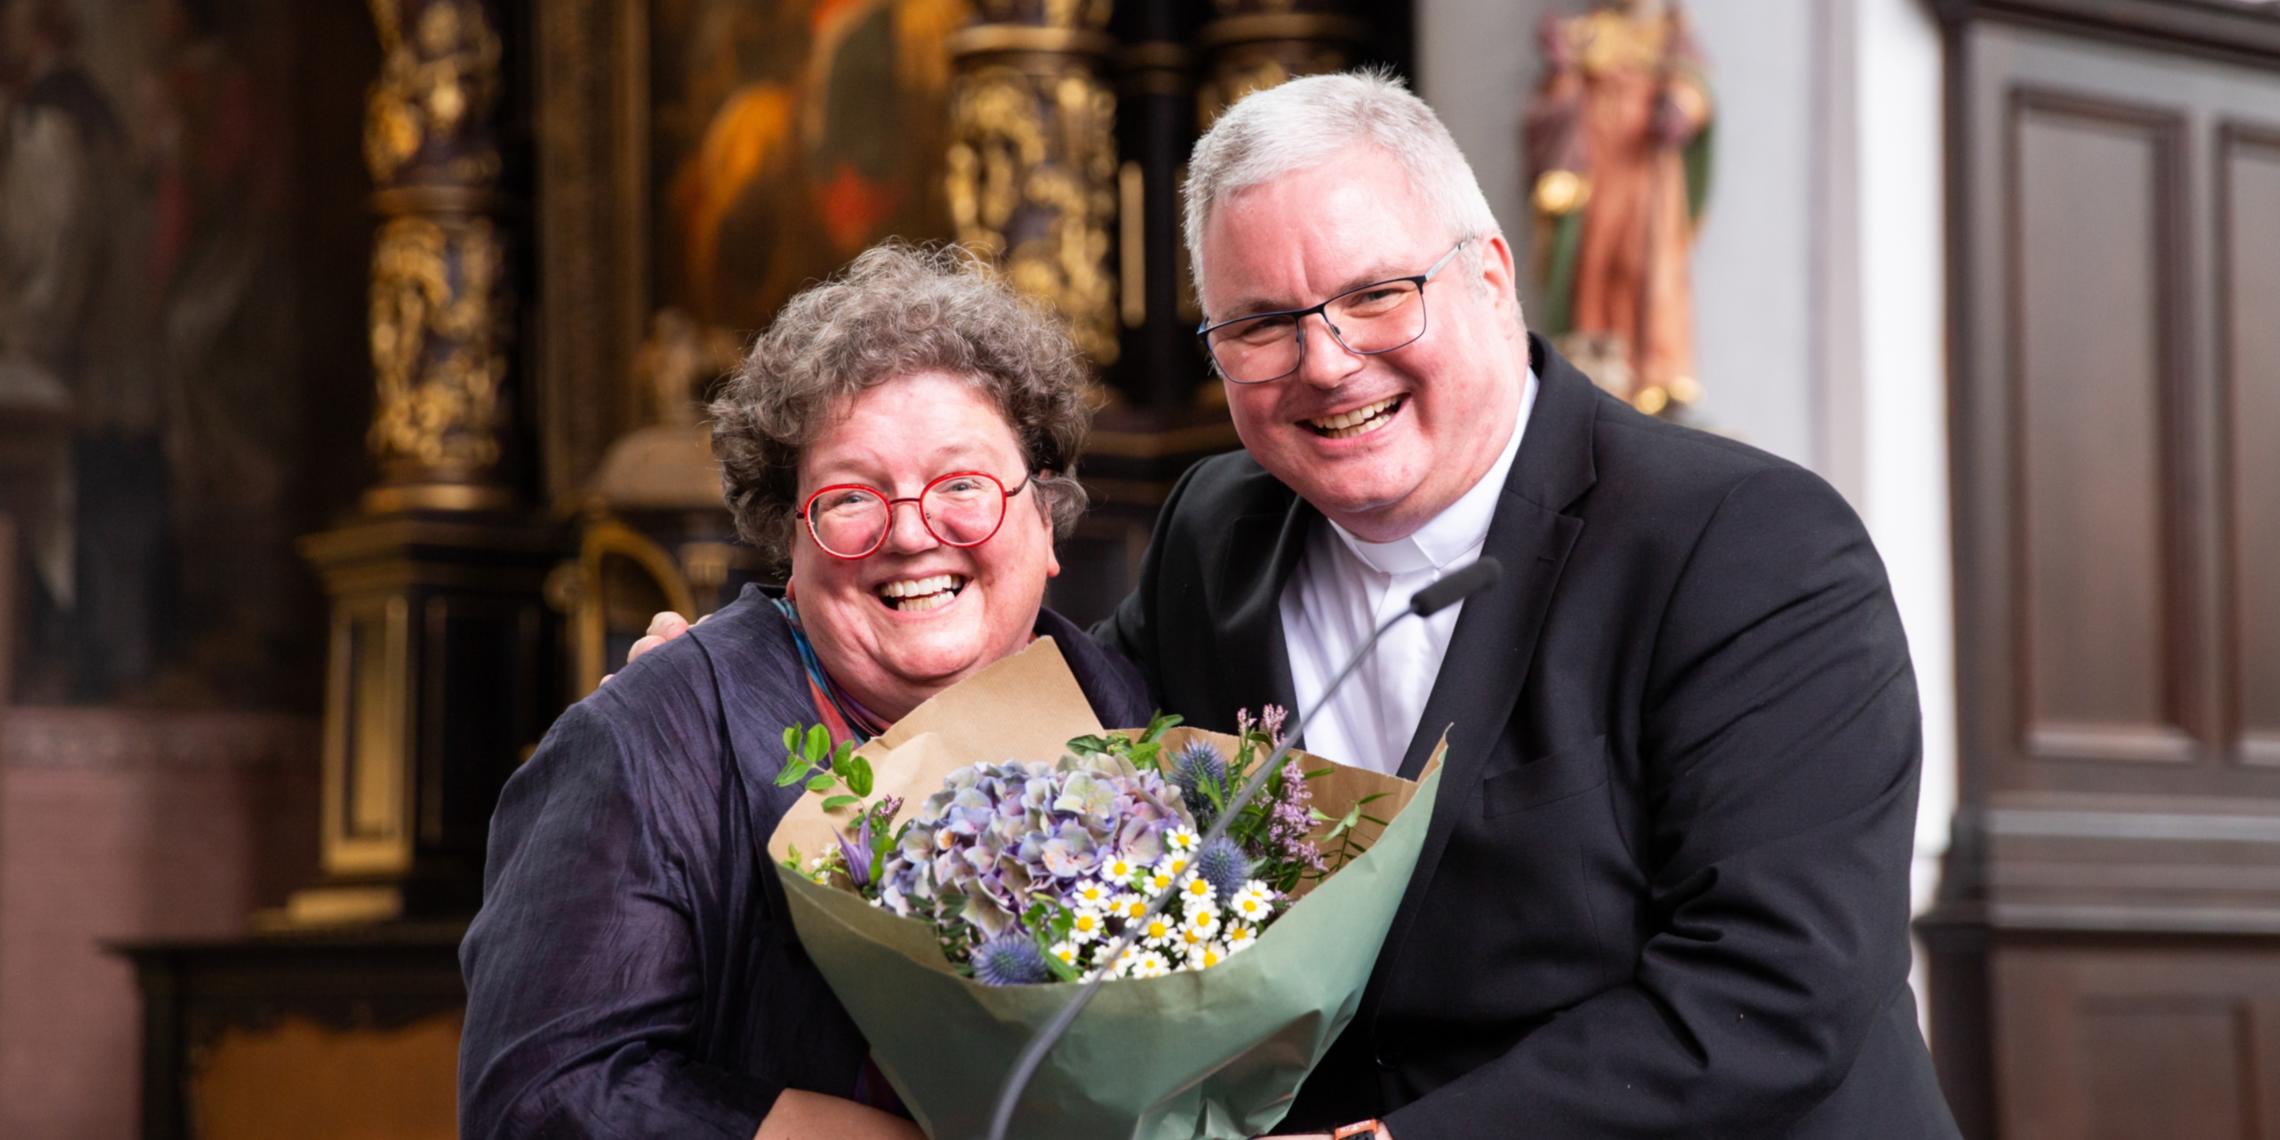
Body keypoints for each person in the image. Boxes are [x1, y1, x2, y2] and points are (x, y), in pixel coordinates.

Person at [630, 71, 1955, 1139]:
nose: (1326, 360)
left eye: (1379, 291)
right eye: (1260, 322)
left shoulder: (1746, 544)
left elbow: (1780, 986)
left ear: (1491, 273)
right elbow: (1056, 759)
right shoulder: (1220, 531)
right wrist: (746, 685)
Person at [457, 245, 1150, 1139]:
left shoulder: (1113, 706)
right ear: (791, 540)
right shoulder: (646, 743)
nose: (911, 533)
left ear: (1044, 520)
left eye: (964, 484)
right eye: (852, 496)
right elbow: (535, 1101)